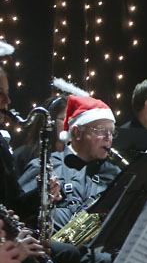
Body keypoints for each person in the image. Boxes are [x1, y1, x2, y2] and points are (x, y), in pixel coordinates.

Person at [20, 96, 120, 232]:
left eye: (112, 132)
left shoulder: (115, 174)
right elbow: (17, 210)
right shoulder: (43, 166)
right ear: (77, 132)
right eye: (101, 130)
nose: (108, 138)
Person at [12, 95, 67, 178]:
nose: (70, 124)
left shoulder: (73, 159)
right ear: (49, 122)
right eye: (64, 119)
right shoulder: (22, 156)